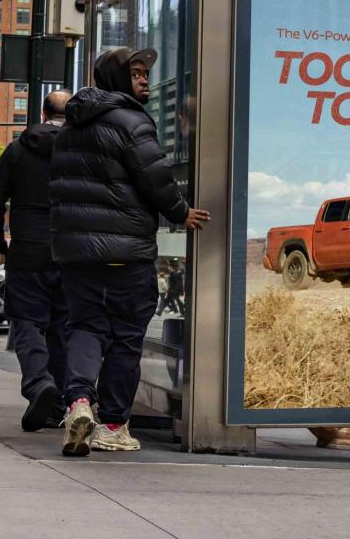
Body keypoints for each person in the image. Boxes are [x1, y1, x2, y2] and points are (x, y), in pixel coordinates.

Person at [50, 47, 210, 456]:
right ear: (117, 79)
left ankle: (79, 402)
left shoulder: (69, 129)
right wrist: (180, 212)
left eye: (145, 73)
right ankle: (113, 425)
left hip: (77, 255)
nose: (144, 80)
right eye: (136, 73)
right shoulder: (133, 121)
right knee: (125, 338)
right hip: (126, 253)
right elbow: (154, 177)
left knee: (85, 328)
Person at [0, 89, 74, 431]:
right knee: (63, 328)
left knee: (27, 321)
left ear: (44, 113)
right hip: (70, 252)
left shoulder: (19, 149)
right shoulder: (81, 150)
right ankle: (58, 402)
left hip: (28, 249)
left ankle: (38, 383)